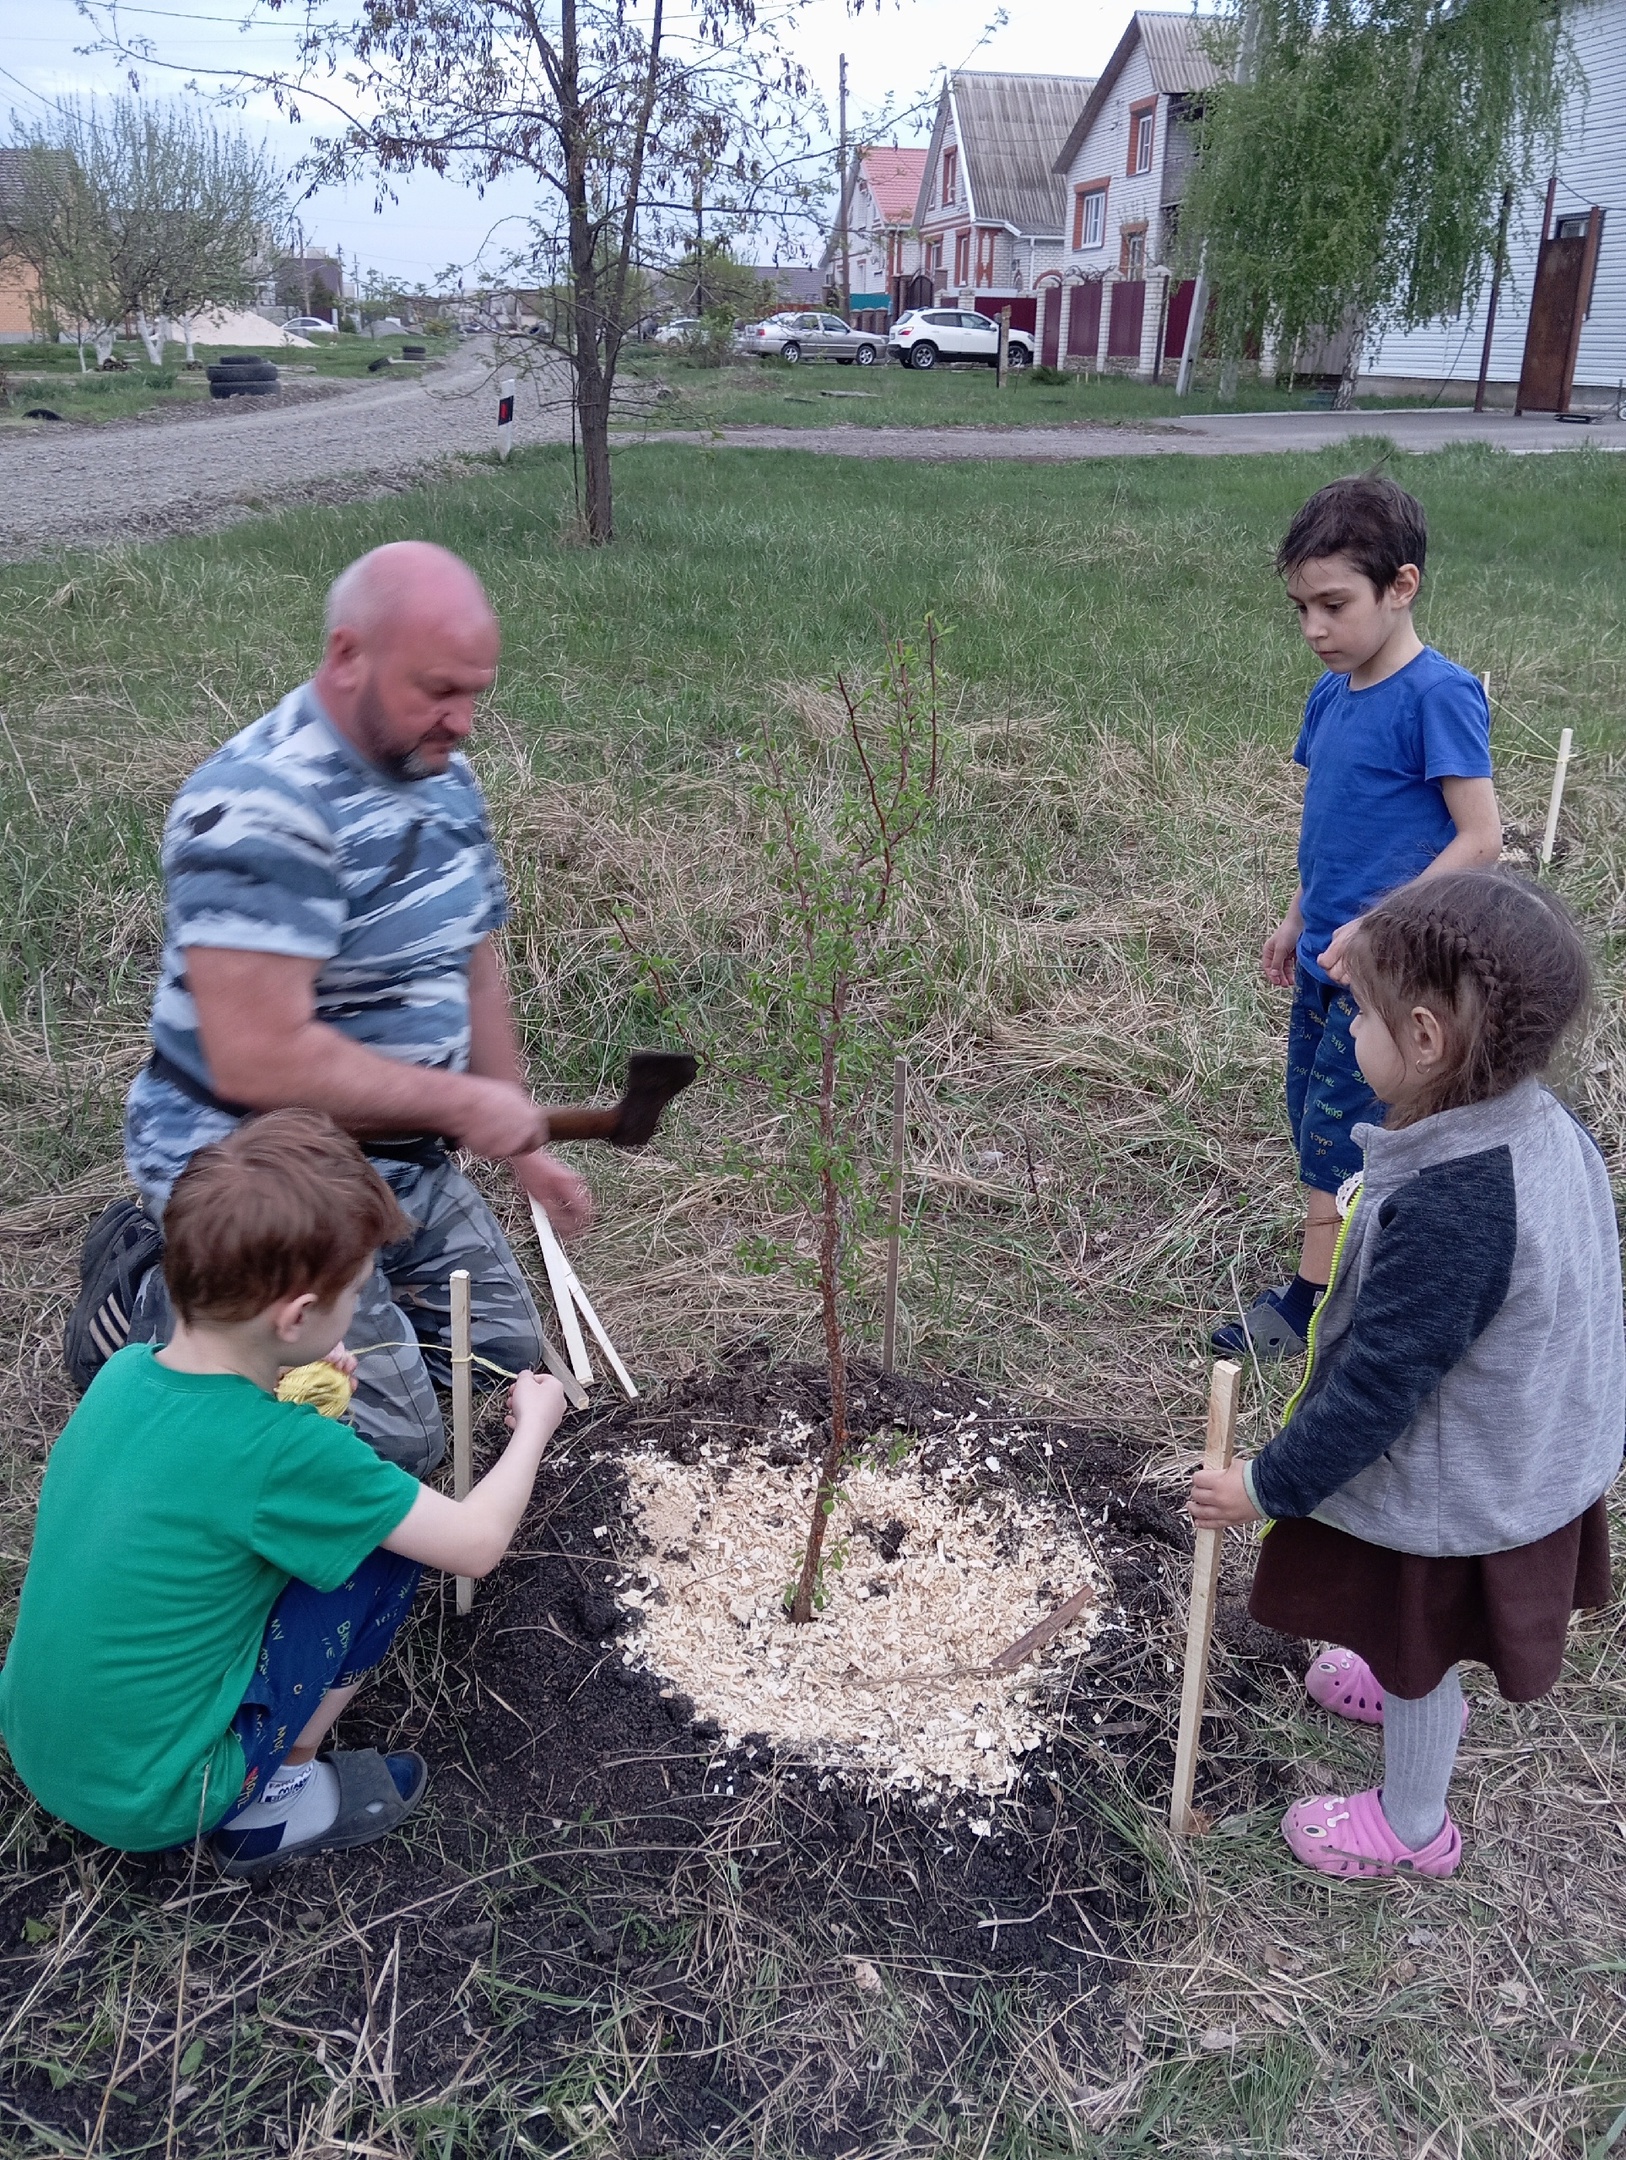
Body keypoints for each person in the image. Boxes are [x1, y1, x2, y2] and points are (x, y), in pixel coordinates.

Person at [104, 539, 590, 1473]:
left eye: (477, 692)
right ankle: (171, 1295)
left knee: (503, 1365)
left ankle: (324, 1302)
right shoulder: (258, 803)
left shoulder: (437, 772)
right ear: (346, 656)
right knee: (394, 1444)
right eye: (440, 689)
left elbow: (474, 958)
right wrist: (461, 1106)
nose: (466, 720)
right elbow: (259, 1059)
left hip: (397, 1156)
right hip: (256, 1163)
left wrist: (523, 1139)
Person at [1192, 871, 1623, 1879]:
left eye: (1364, 1016)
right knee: (1406, 1634)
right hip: (1523, 1438)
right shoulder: (1529, 1122)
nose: (1348, 1032)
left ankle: (1412, 1824)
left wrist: (1261, 1488)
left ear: (1426, 1042)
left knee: (1417, 1637)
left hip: (1468, 1480)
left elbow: (1380, 1388)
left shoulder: (1458, 1206)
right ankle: (1401, 1688)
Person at [0, 1111, 567, 1876]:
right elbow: (475, 1544)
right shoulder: (290, 1452)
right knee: (386, 1546)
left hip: (47, 1746)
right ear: (298, 1315)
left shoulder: (125, 1374)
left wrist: (289, 1387)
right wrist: (534, 1424)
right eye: (357, 1293)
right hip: (161, 1796)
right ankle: (275, 1803)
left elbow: (212, 1467)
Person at [1214, 476, 1503, 1362]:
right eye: (1300, 607)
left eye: (1334, 605)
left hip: (1388, 975)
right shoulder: (1331, 696)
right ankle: (1351, 1267)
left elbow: (1481, 839)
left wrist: (1379, 931)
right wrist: (1298, 917)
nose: (1313, 629)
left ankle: (1314, 1302)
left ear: (1402, 586)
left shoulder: (1439, 696)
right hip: (1325, 956)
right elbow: (1328, 831)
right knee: (1309, 1110)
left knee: (1340, 1133)